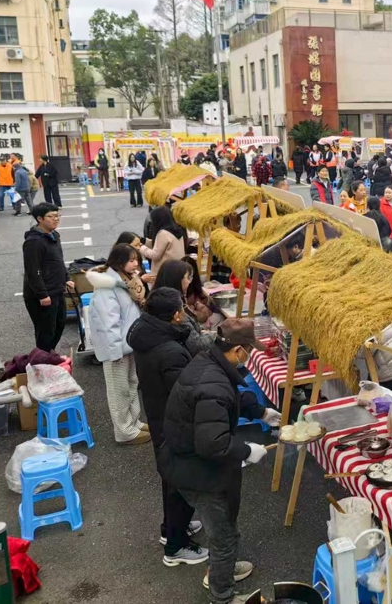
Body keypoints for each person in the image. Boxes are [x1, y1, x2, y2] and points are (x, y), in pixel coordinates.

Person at [161, 319, 281, 604]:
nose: (249, 356)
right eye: (249, 350)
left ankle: (221, 569)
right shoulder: (213, 383)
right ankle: (222, 594)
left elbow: (230, 398)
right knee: (224, 535)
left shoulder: (210, 361)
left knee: (224, 528)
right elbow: (212, 442)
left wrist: (260, 412)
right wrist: (246, 450)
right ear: (238, 350)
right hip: (196, 470)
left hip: (186, 459)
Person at [127, 287, 207, 566]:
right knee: (181, 481)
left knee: (172, 479)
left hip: (159, 415)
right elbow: (185, 393)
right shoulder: (169, 351)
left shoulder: (146, 333)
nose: (184, 312)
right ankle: (176, 546)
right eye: (182, 308)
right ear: (175, 315)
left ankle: (171, 528)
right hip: (175, 423)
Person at [87, 244, 149, 445]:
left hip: (128, 344)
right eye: (131, 260)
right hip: (116, 348)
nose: (136, 264)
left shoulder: (126, 281)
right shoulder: (107, 286)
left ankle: (133, 422)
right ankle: (124, 432)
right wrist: (114, 352)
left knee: (131, 384)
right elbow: (108, 323)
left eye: (136, 259)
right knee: (119, 391)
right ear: (119, 262)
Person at [23, 203, 74, 352]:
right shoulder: (33, 242)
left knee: (59, 324)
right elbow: (33, 271)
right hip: (43, 295)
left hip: (57, 289)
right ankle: (43, 359)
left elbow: (58, 260)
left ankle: (49, 354)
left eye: (57, 215)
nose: (56, 219)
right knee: (45, 331)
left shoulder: (54, 235)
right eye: (51, 216)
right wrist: (42, 294)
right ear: (40, 219)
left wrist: (66, 278)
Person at [155, 260, 216, 355]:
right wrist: (217, 335)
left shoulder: (157, 299)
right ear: (176, 279)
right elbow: (197, 346)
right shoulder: (173, 308)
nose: (189, 282)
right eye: (188, 278)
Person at [140, 206, 186, 277]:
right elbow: (161, 246)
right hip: (176, 269)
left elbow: (155, 255)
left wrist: (142, 248)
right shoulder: (176, 230)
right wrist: (145, 241)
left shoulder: (163, 233)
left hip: (164, 273)